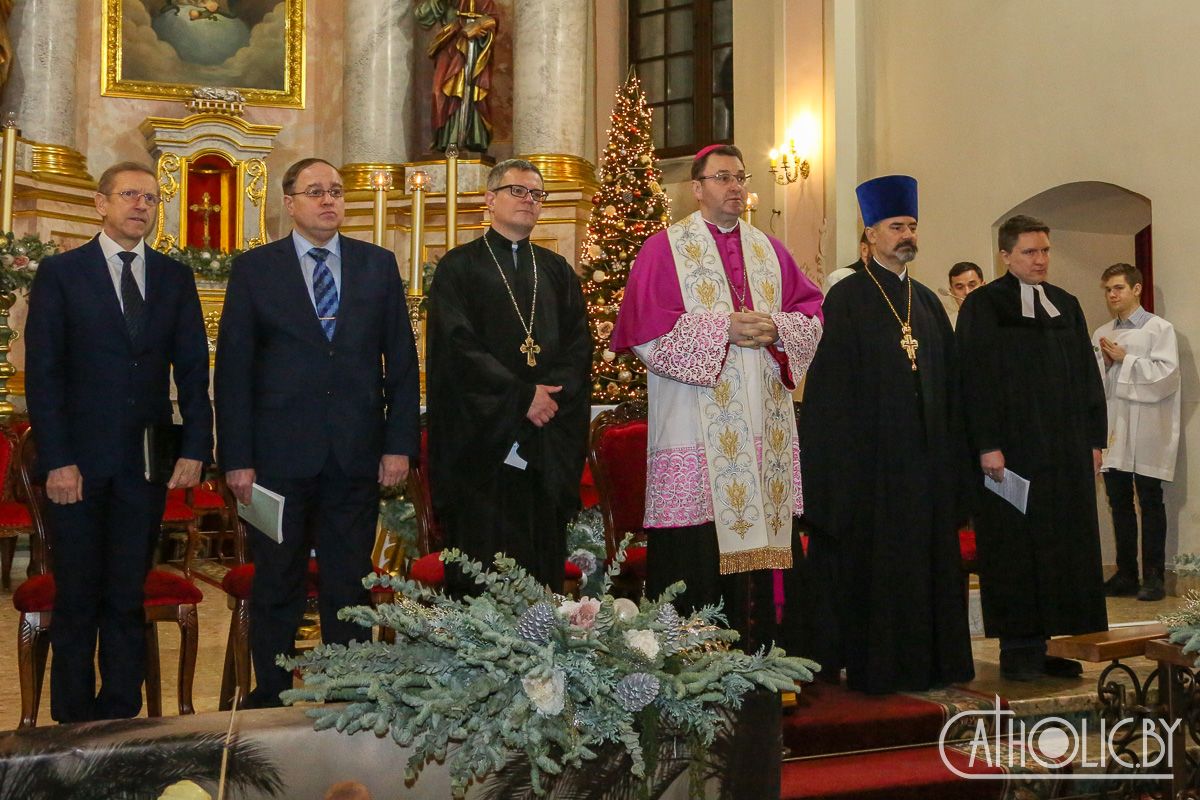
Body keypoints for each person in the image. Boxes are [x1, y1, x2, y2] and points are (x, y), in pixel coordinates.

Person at [215, 157, 420, 708]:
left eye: (335, 190)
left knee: (347, 584)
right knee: (277, 583)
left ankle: (347, 692)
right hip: (275, 460)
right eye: (315, 191)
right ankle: (272, 692)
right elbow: (232, 372)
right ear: (290, 202)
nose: (328, 200)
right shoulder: (256, 269)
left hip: (354, 455)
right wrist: (236, 457)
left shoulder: (376, 265)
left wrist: (398, 444)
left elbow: (401, 363)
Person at [611, 144, 824, 651]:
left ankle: (767, 657)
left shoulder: (770, 250)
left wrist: (776, 327)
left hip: (763, 425)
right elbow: (645, 332)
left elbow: (812, 314)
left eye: (740, 177)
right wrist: (722, 328)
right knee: (696, 544)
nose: (734, 187)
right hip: (693, 422)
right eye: (722, 178)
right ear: (697, 187)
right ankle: (692, 657)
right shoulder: (664, 249)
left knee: (767, 539)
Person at [25, 161, 213, 722]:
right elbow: (45, 375)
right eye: (131, 195)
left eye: (152, 199)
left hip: (145, 464)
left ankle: (122, 717)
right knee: (79, 596)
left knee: (127, 593)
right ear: (100, 204)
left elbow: (193, 369)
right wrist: (58, 459)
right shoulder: (62, 273)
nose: (142, 206)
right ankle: (73, 718)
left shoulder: (174, 278)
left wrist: (196, 446)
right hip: (76, 465)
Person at [801, 175, 974, 694]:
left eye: (913, 226)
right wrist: (838, 475)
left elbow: (949, 388)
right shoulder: (847, 297)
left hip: (924, 472)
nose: (907, 235)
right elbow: (829, 396)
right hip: (870, 474)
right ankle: (873, 665)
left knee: (927, 568)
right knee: (875, 572)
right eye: (896, 226)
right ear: (870, 233)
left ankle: (930, 664)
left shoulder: (926, 301)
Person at [426, 159, 590, 592]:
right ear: (490, 198)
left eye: (537, 194)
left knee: (541, 572)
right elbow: (457, 349)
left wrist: (548, 397)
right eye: (518, 191)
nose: (529, 201)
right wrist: (521, 398)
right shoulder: (458, 268)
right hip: (481, 449)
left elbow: (578, 346)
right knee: (483, 571)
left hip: (544, 444)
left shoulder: (557, 271)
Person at [957, 214, 1108, 681]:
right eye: (1029, 252)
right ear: (1005, 255)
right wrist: (987, 445)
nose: (1040, 259)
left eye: (1044, 250)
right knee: (1016, 549)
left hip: (1063, 452)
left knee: (1063, 545)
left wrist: (1095, 438)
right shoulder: (984, 305)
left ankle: (1049, 642)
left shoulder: (1066, 303)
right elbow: (974, 380)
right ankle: (1018, 648)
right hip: (1012, 453)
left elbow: (1087, 372)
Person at [1092, 262, 1180, 602]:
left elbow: (1166, 378)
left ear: (1137, 289)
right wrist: (1106, 362)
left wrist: (1126, 359)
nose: (1112, 295)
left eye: (1118, 288)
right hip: (1115, 427)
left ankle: (1153, 575)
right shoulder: (1101, 331)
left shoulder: (1159, 330)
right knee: (1118, 502)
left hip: (1146, 430)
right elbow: (1094, 382)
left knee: (1149, 500)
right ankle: (1126, 572)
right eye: (1108, 290)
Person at [416, 0, 498, 153]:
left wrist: (480, 25)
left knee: (471, 88)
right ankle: (446, 138)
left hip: (475, 50)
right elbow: (423, 18)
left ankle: (471, 138)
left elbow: (493, 18)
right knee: (439, 92)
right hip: (449, 47)